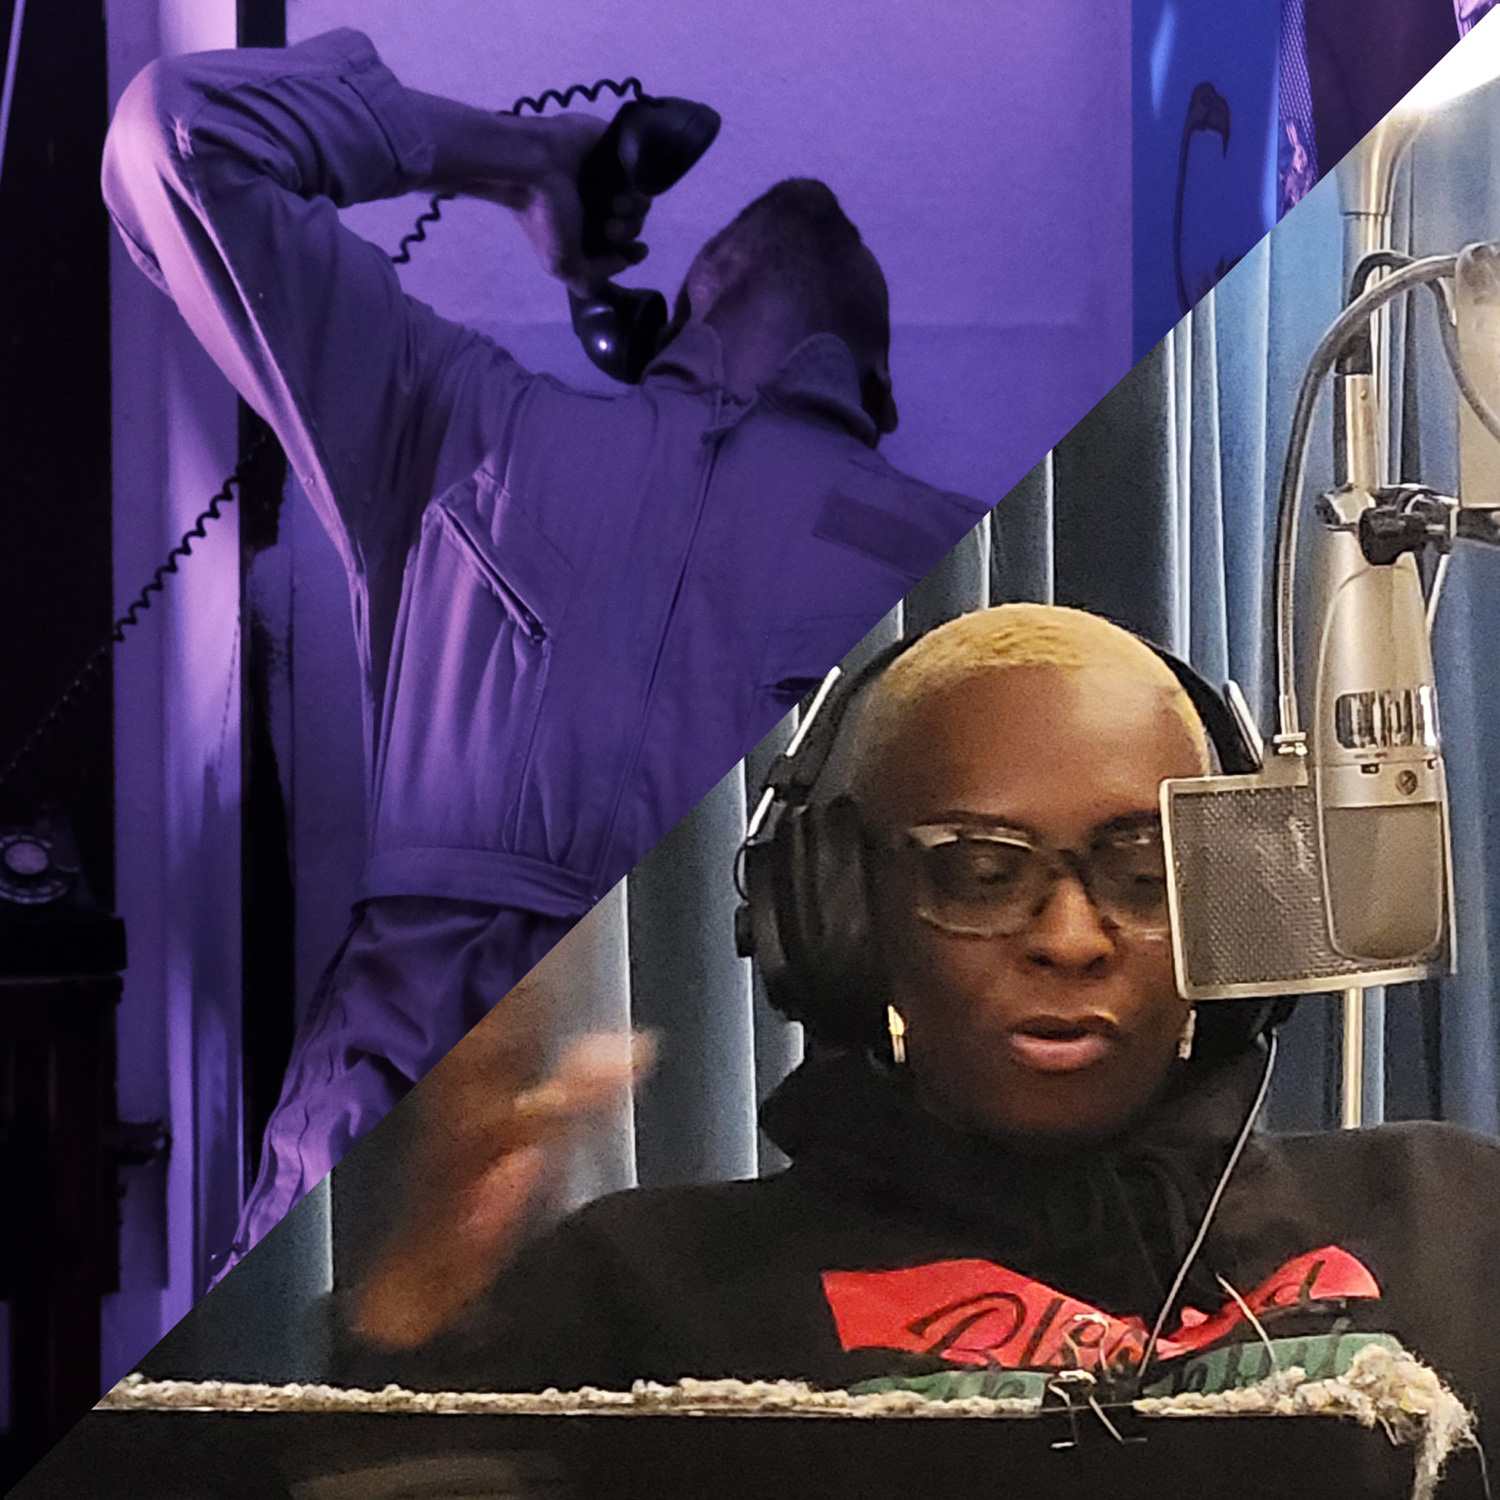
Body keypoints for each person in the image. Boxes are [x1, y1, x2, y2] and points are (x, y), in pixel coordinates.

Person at [101, 29, 989, 1268]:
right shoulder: (461, 418)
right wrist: (522, 161)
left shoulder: (947, 552)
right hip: (435, 1153)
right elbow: (176, 140)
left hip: (692, 1175)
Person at [339, 605, 1500, 1465]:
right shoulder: (646, 1292)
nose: (1071, 938)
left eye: (1145, 871)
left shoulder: (1449, 1219)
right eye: (980, 872)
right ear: (839, 916)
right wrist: (423, 1310)